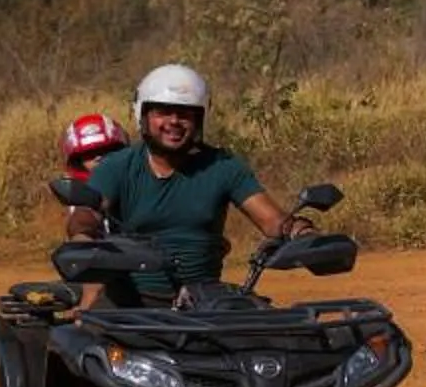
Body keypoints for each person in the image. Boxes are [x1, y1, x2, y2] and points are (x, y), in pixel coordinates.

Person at [76, 63, 299, 305]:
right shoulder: (117, 167)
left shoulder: (223, 166)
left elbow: (273, 220)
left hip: (204, 302)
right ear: (143, 115)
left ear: (199, 118)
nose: (174, 121)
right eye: (163, 112)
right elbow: (87, 213)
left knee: (274, 335)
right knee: (86, 336)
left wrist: (302, 231)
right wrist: (84, 232)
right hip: (131, 303)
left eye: (185, 113)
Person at [57, 112, 128, 241]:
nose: (99, 157)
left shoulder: (139, 177)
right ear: (77, 160)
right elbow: (80, 225)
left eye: (106, 150)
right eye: (90, 153)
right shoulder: (80, 191)